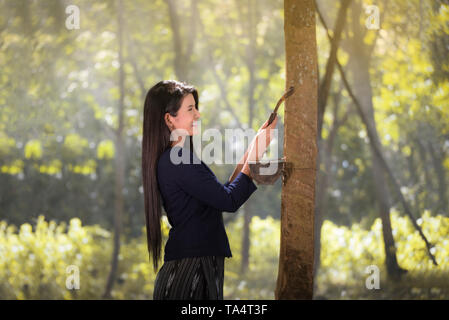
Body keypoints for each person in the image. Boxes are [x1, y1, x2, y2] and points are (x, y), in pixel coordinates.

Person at [141, 79, 277, 300]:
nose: (198, 115)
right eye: (190, 109)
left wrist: (254, 148)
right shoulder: (178, 160)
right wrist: (256, 152)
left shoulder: (177, 159)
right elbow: (229, 201)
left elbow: (222, 194)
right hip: (190, 272)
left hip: (195, 266)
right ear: (169, 119)